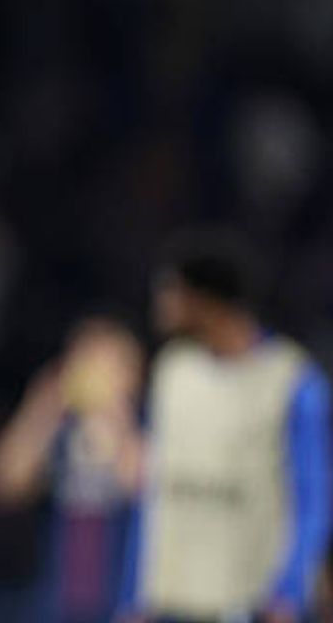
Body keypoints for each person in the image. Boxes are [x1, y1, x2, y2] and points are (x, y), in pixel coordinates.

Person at [118, 231, 332, 623]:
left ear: (205, 300)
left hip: (250, 601)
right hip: (175, 601)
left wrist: (288, 593)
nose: (161, 304)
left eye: (172, 291)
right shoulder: (173, 372)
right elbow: (155, 491)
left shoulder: (292, 382)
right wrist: (133, 595)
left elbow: (313, 498)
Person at [0, 313, 144, 623]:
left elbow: (145, 488)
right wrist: (42, 408)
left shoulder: (143, 427)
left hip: (121, 600)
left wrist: (115, 417)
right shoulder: (58, 431)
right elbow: (3, 484)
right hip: (53, 598)